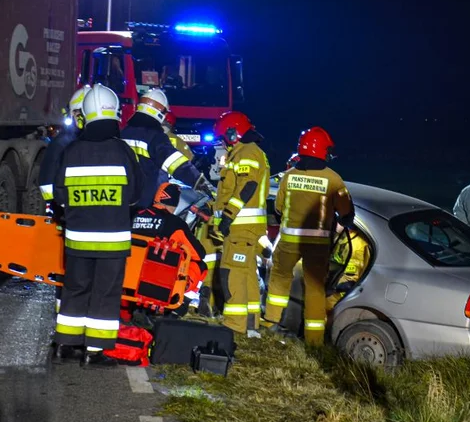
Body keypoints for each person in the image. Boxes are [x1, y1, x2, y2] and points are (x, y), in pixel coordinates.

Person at [51, 85, 140, 366]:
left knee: (75, 289)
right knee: (105, 294)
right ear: (115, 114)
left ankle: (65, 345)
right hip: (112, 240)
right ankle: (94, 351)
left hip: (77, 238)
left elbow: (60, 194)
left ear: (85, 115)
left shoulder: (72, 151)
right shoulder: (122, 151)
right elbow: (136, 195)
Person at [263, 127, 353, 345]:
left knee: (279, 281)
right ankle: (314, 341)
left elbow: (278, 207)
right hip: (318, 245)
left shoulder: (289, 176)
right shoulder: (333, 179)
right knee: (315, 289)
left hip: (288, 242)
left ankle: (270, 323)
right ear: (322, 151)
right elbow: (347, 213)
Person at [210, 111, 270, 337]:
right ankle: (251, 326)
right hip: (247, 227)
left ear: (233, 133)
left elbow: (247, 186)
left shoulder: (246, 152)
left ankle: (234, 325)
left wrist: (228, 215)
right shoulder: (250, 152)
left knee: (231, 273)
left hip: (240, 227)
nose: (223, 142)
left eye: (225, 137)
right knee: (246, 275)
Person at [120, 88, 204, 207]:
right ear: (160, 112)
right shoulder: (155, 137)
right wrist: (201, 184)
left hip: (122, 203)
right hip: (147, 204)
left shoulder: (123, 133)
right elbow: (179, 166)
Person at [131, 182, 208, 303]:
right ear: (175, 203)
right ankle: (181, 301)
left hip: (126, 276)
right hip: (156, 284)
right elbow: (199, 254)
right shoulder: (175, 223)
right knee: (199, 265)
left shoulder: (134, 215)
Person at [39, 85, 92, 214]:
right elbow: (47, 186)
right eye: (77, 113)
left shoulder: (93, 142)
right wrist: (56, 209)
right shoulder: (61, 145)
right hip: (67, 212)